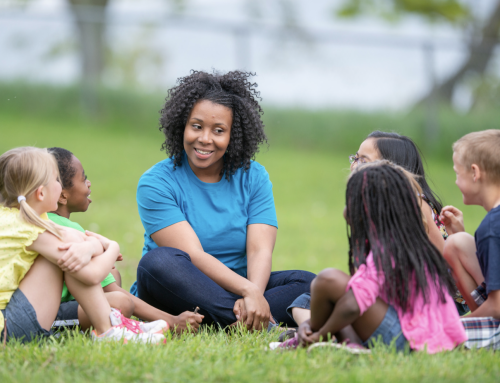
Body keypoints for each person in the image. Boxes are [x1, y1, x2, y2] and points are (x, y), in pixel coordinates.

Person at [130, 70, 315, 330]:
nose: (205, 139)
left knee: (310, 283)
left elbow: (259, 249)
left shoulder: (254, 176)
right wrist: (248, 292)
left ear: (233, 135)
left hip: (238, 287)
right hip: (174, 291)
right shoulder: (156, 182)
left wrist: (254, 294)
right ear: (182, 125)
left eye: (218, 130)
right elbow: (192, 254)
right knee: (157, 263)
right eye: (196, 126)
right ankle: (260, 322)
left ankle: (235, 320)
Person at [282, 131, 468, 339]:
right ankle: (314, 332)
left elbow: (441, 271)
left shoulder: (412, 207)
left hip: (421, 311)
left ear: (390, 170)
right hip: (401, 304)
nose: (354, 165)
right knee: (307, 300)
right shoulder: (384, 211)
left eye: (364, 160)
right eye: (355, 157)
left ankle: (315, 334)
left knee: (327, 292)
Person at [0, 147, 165, 343]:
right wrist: (112, 248)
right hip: (9, 329)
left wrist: (89, 247)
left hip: (10, 316)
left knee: (72, 250)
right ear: (41, 194)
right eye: (57, 180)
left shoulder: (14, 219)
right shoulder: (29, 227)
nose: (60, 186)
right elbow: (91, 274)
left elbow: (75, 238)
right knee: (70, 256)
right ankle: (107, 331)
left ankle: (113, 326)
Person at [48, 147, 202, 332]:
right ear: (63, 195)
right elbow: (114, 292)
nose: (88, 183)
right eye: (83, 178)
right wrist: (171, 320)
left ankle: (111, 325)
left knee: (113, 273)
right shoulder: (69, 231)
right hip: (49, 314)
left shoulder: (46, 222)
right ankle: (123, 328)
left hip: (58, 303)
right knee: (121, 302)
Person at [441, 130, 500, 350]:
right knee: (457, 243)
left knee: (438, 333)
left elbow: (498, 306)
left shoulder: (492, 227)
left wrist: (454, 323)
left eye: (457, 173)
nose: (455, 181)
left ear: (475, 172)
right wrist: (459, 233)